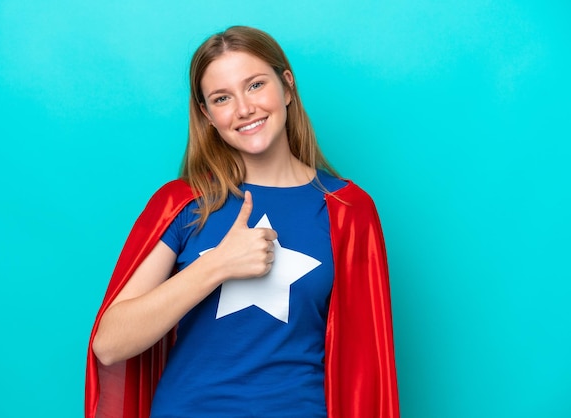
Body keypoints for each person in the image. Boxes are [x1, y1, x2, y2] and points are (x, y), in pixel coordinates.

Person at [85, 26, 399, 418]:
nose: (244, 109)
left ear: (287, 87)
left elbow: (366, 361)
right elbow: (110, 345)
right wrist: (218, 265)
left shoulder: (347, 209)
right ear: (207, 115)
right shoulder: (184, 203)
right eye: (222, 98)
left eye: (254, 85)